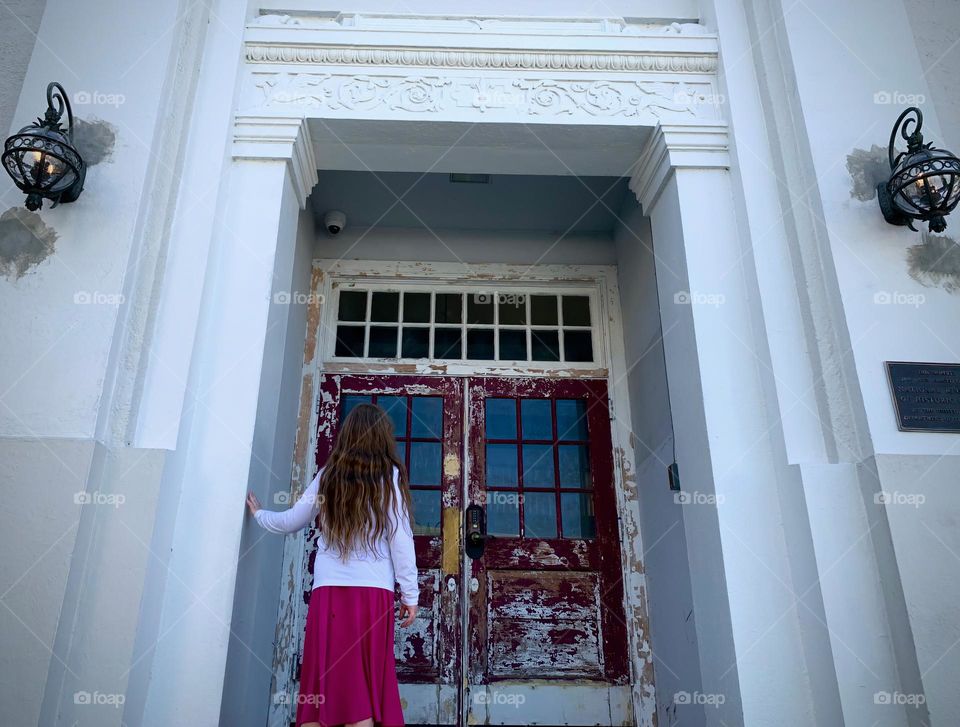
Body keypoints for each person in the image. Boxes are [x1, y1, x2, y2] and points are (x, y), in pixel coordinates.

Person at [246, 403, 419, 727]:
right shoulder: (389, 477)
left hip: (329, 594)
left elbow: (292, 520)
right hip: (371, 595)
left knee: (320, 685)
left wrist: (260, 515)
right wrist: (410, 594)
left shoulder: (329, 476)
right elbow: (401, 539)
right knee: (361, 688)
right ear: (383, 437)